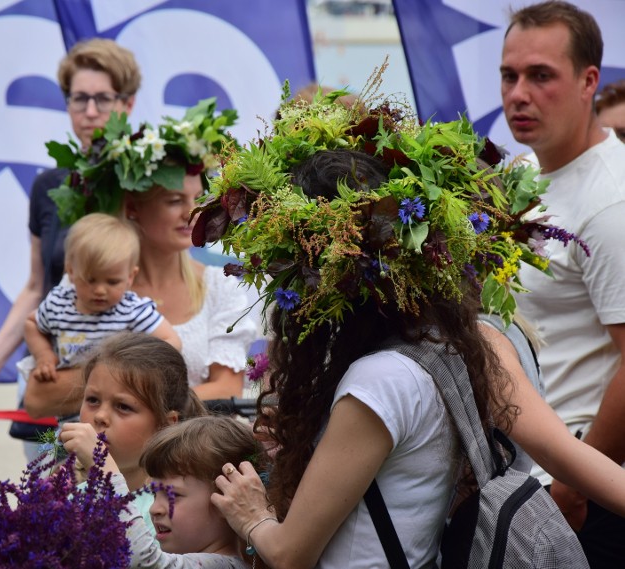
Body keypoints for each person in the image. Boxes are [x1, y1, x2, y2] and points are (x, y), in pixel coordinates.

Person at [184, 89, 593, 567]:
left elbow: (291, 552)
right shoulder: (438, 350)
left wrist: (250, 513)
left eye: (283, 262)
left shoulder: (379, 382)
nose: (277, 281)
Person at [23, 98, 256, 419]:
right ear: (133, 207)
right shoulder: (87, 283)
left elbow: (227, 391)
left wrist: (126, 403)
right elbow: (37, 399)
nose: (192, 213)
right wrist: (143, 394)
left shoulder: (221, 289)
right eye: (174, 200)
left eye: (198, 199)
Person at [500, 2, 625, 565]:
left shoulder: (611, 199)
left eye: (540, 75)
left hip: (584, 496)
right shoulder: (521, 174)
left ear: (588, 81)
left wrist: (576, 486)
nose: (519, 93)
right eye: (510, 75)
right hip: (526, 482)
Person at [0, 38, 141, 405]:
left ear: (127, 103)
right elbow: (36, 288)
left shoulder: (145, 185)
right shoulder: (49, 186)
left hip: (127, 386)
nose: (90, 111)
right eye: (78, 98)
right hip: (53, 376)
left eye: (103, 99)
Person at [57, 333, 206, 531]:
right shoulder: (70, 491)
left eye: (123, 406)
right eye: (93, 400)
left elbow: (141, 556)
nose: (100, 416)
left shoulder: (171, 509)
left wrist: (101, 468)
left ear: (166, 424)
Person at [65, 415, 256, 568]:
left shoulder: (226, 565)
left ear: (226, 502)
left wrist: (103, 469)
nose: (154, 509)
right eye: (155, 494)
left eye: (173, 495)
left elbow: (143, 560)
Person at [22, 213, 181, 383]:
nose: (99, 290)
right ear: (71, 272)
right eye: (90, 279)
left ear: (130, 277)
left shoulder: (131, 309)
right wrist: (44, 355)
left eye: (112, 282)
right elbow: (31, 324)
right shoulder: (58, 304)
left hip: (114, 399)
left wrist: (138, 365)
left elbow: (172, 340)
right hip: (65, 399)